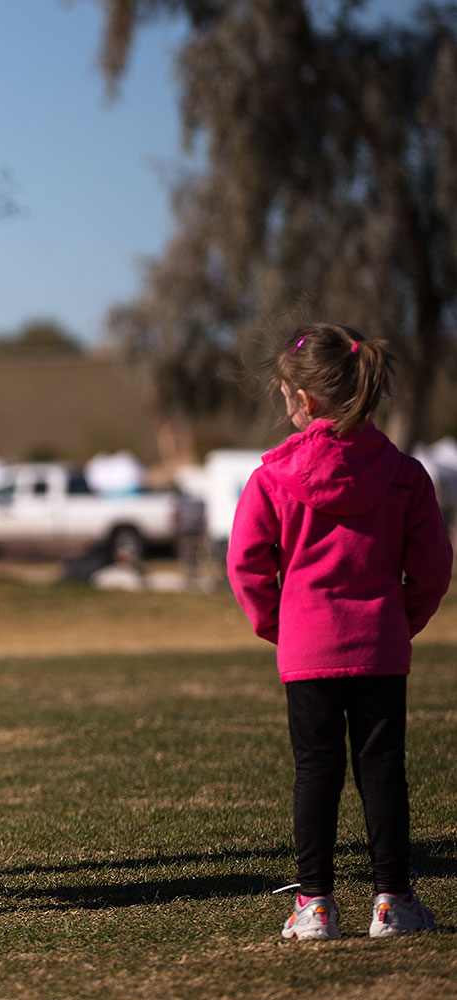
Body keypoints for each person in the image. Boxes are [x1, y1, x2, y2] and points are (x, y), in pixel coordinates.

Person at [226, 322, 451, 941]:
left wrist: (281, 625)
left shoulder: (272, 478)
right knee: (384, 771)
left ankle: (316, 906)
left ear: (305, 401)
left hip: (307, 650)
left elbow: (246, 565)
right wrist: (401, 622)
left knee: (315, 771)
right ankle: (394, 902)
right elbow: (432, 567)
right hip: (381, 644)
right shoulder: (406, 474)